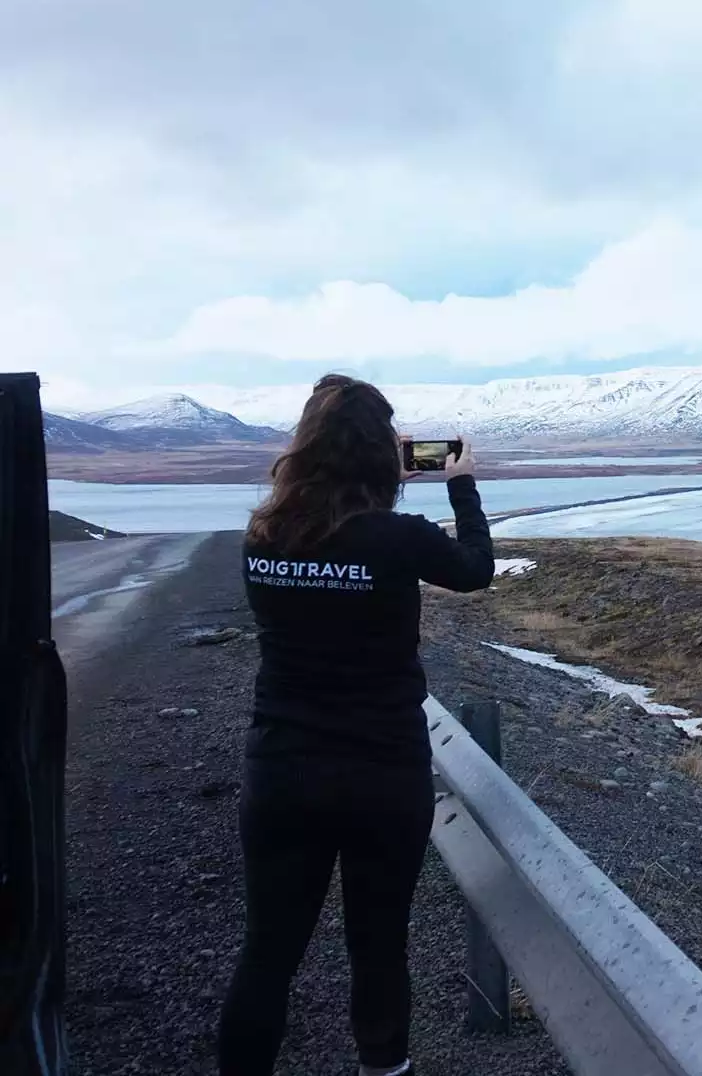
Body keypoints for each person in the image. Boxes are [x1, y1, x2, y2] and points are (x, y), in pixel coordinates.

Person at [217, 374, 493, 1076]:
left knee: (268, 954)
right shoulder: (397, 539)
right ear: (384, 457)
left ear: (305, 450)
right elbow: (475, 571)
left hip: (282, 770)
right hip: (382, 776)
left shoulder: (262, 536)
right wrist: (459, 481)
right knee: (377, 947)